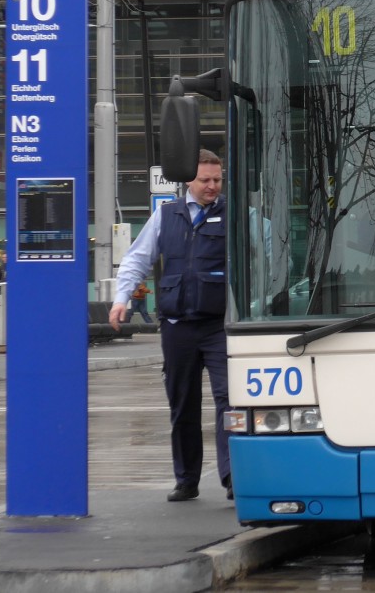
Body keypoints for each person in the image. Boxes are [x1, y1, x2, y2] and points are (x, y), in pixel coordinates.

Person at [109, 149, 232, 502]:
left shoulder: (233, 214)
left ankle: (231, 477)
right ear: (188, 181)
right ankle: (187, 479)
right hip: (178, 326)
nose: (212, 187)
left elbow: (263, 246)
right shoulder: (166, 216)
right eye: (205, 180)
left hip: (219, 326)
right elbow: (137, 258)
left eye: (217, 180)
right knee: (182, 404)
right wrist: (121, 299)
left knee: (229, 402)